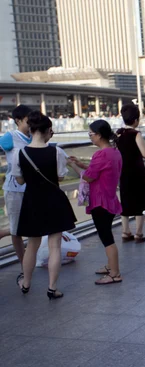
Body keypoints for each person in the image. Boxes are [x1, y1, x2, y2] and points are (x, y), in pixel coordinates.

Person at [13, 112, 76, 299]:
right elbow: (61, 176)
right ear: (49, 130)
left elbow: (20, 180)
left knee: (32, 245)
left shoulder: (20, 153)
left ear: (31, 130)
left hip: (32, 201)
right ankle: (52, 287)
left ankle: (26, 283)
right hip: (54, 200)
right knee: (54, 245)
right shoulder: (56, 151)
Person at [68, 120, 123, 285]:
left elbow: (88, 176)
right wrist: (81, 164)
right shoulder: (114, 152)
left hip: (101, 202)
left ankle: (114, 273)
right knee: (107, 234)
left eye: (91, 134)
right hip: (110, 199)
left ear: (99, 135)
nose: (90, 137)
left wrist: (73, 166)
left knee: (106, 238)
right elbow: (98, 169)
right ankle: (110, 266)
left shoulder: (100, 154)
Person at [115, 104, 145, 243]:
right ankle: (138, 234)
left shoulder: (118, 133)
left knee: (125, 200)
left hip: (123, 171)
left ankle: (125, 232)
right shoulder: (135, 134)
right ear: (136, 120)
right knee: (140, 201)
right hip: (137, 171)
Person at [0, 105, 32, 275]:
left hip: (32, 188)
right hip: (14, 189)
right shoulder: (9, 137)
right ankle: (24, 264)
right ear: (18, 120)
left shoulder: (35, 136)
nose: (32, 123)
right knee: (17, 229)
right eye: (29, 119)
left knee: (30, 225)